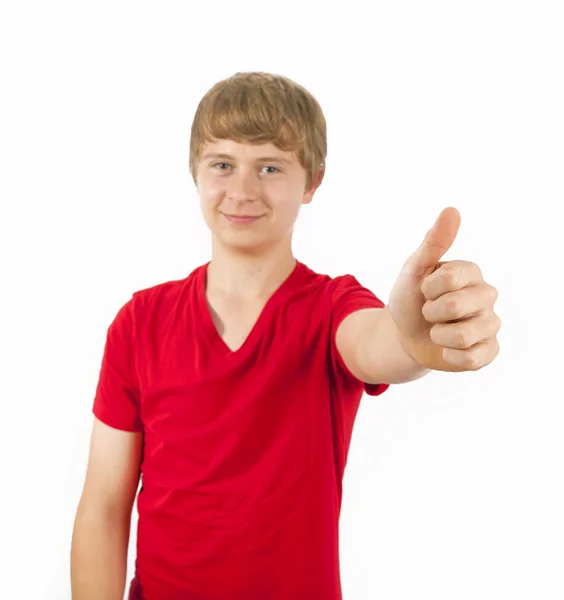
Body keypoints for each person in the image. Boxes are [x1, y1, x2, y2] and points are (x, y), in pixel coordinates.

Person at [70, 71, 501, 600]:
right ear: (196, 173)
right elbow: (104, 507)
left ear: (312, 181)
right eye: (222, 164)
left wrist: (413, 340)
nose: (242, 191)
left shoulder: (330, 310)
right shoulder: (139, 323)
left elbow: (377, 344)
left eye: (270, 167)